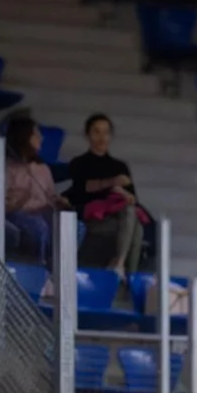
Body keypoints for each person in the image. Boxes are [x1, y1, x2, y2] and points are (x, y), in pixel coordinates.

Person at [62, 112, 147, 273]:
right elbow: (80, 191)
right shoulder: (79, 163)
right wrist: (111, 183)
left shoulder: (120, 166)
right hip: (92, 219)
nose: (102, 137)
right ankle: (125, 272)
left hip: (118, 218)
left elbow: (133, 199)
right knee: (135, 227)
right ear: (88, 135)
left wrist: (123, 193)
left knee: (134, 221)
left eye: (106, 132)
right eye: (97, 132)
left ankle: (120, 266)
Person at [0, 112, 61, 263]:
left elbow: (51, 196)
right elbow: (2, 205)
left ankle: (57, 268)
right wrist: (20, 200)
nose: (41, 138)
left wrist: (59, 201)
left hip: (44, 212)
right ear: (24, 137)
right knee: (38, 226)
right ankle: (39, 268)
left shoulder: (43, 168)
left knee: (75, 227)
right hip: (19, 214)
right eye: (36, 134)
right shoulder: (7, 168)